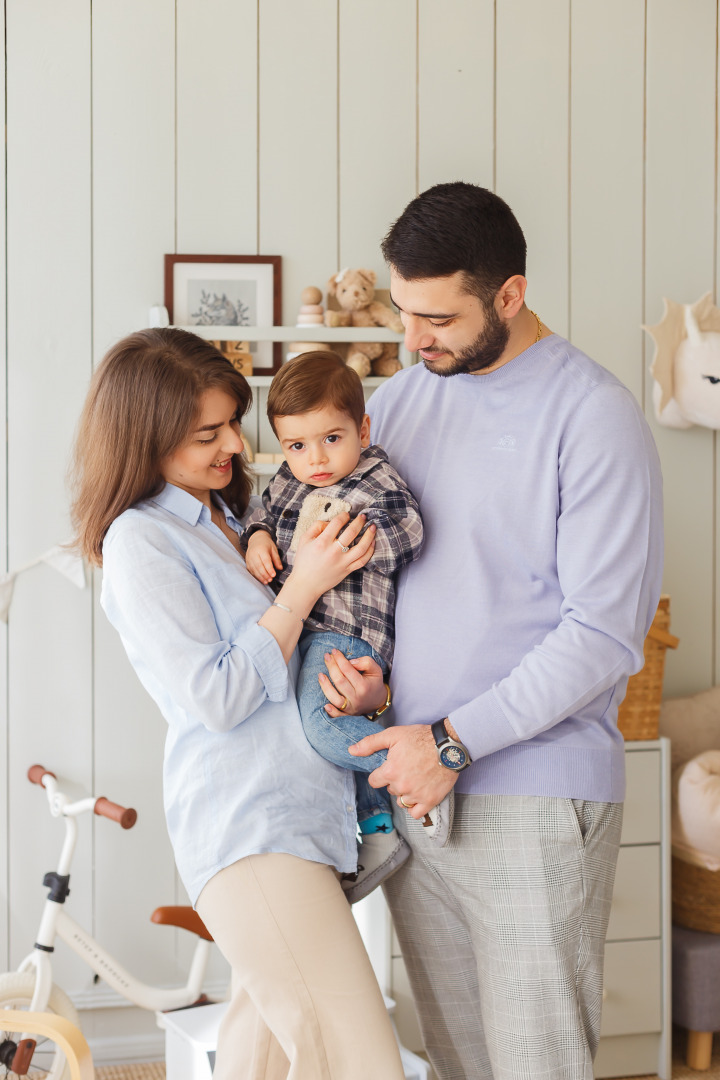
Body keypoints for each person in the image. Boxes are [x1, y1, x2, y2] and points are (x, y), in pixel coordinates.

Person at [348, 182, 664, 1080]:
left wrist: (451, 741)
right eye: (404, 311)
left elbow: (602, 635)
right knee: (455, 1062)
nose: (414, 338)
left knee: (537, 1064)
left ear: (511, 296)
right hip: (415, 788)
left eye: (437, 316)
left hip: (529, 790)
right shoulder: (403, 402)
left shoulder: (592, 417)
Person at [71, 328, 405, 1080]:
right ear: (145, 439)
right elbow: (217, 697)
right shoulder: (141, 542)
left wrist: (367, 690)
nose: (232, 445)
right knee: (359, 1060)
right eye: (205, 433)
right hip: (253, 827)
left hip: (303, 819)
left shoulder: (230, 518)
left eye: (232, 421)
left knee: (263, 1058)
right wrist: (302, 584)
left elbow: (304, 653)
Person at [241, 350, 425, 903]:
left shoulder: (375, 477)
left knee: (322, 730)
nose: (316, 459)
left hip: (345, 632)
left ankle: (411, 766)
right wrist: (257, 538)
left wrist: (353, 543)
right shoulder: (290, 481)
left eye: (331, 438)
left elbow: (411, 533)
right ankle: (376, 830)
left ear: (361, 429)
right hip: (301, 629)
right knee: (308, 733)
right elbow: (259, 510)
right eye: (297, 445)